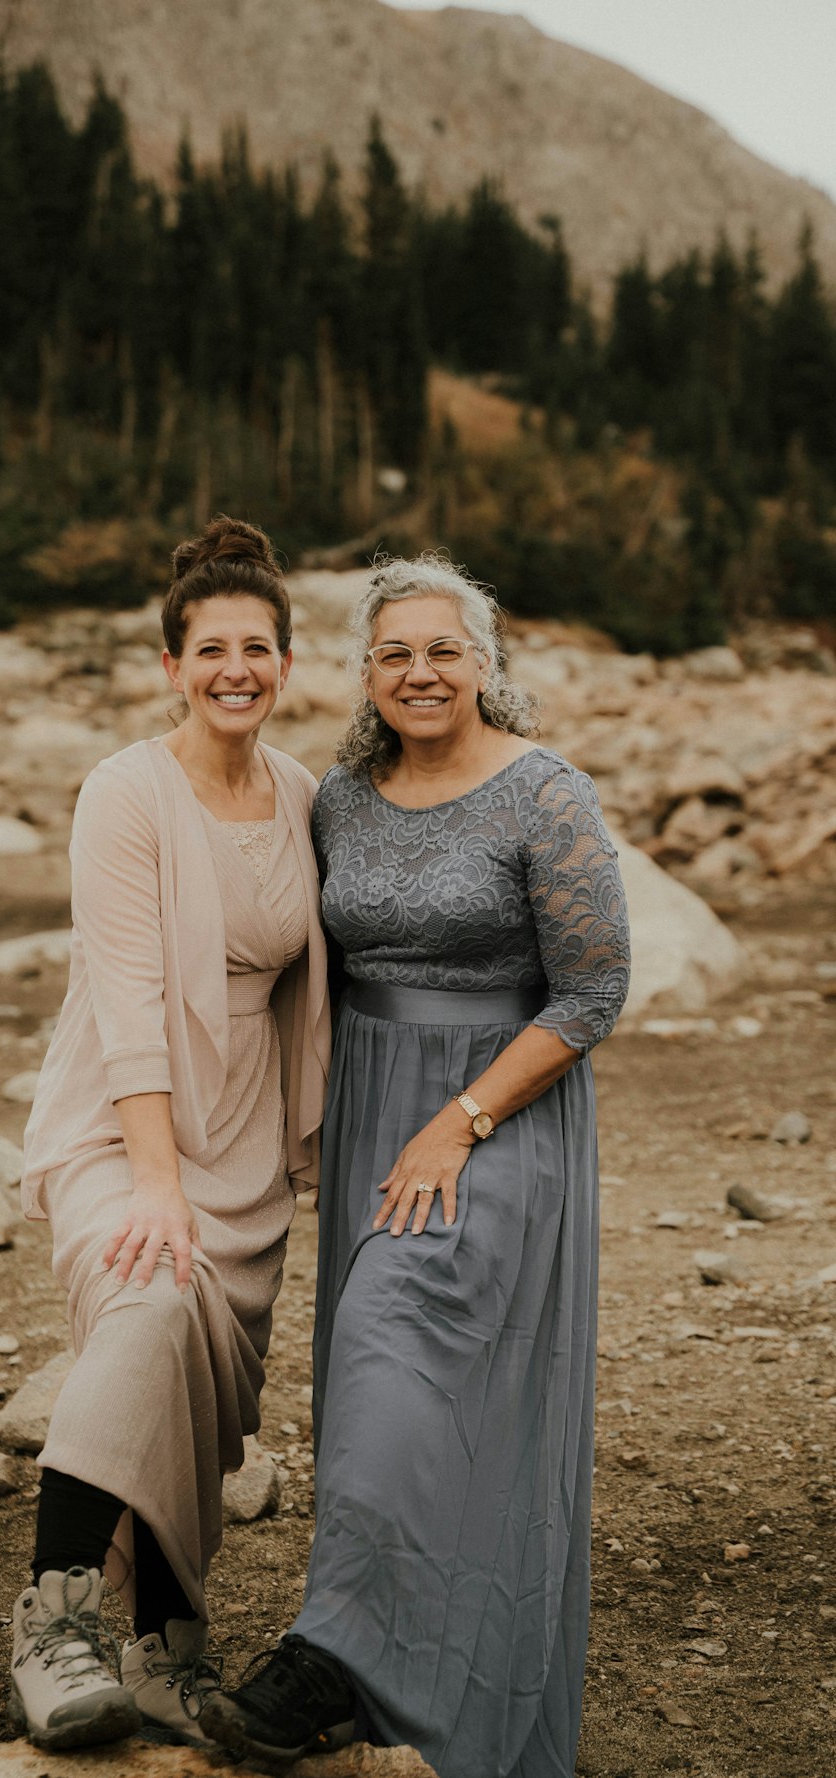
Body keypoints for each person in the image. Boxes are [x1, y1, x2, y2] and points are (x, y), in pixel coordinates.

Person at [203, 554, 631, 1778]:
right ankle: (397, 1671)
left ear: (485, 661)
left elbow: (595, 983)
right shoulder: (339, 796)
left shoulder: (547, 796)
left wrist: (460, 1120)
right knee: (399, 1400)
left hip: (497, 1113)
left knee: (398, 1331)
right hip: (369, 1112)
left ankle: (329, 1655)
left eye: (443, 649)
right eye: (394, 653)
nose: (420, 671)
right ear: (366, 674)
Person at [8, 517, 330, 1752]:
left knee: (199, 1390)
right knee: (148, 1296)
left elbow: (324, 979)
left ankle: (162, 1653)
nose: (234, 667)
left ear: (286, 665)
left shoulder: (301, 791)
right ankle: (54, 1616)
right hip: (123, 1117)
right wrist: (155, 1182)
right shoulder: (124, 790)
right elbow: (131, 999)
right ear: (170, 664)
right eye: (211, 647)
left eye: (258, 647)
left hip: (246, 1134)